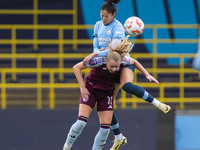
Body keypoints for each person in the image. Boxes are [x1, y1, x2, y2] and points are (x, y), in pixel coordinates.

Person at [83, 0, 171, 149]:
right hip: (108, 64)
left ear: (113, 15)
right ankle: (118, 137)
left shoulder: (118, 27)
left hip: (121, 62)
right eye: (101, 15)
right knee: (106, 103)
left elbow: (115, 50)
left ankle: (158, 103)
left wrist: (147, 74)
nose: (103, 18)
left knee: (127, 86)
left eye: (106, 16)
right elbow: (96, 46)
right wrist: (96, 55)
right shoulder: (98, 25)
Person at [63, 38, 159, 150]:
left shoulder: (122, 61)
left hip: (106, 94)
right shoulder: (98, 61)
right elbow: (76, 67)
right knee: (81, 122)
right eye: (111, 66)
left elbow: (135, 62)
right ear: (106, 61)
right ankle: (66, 147)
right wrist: (82, 87)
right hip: (91, 90)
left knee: (105, 129)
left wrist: (147, 75)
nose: (114, 69)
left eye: (116, 67)